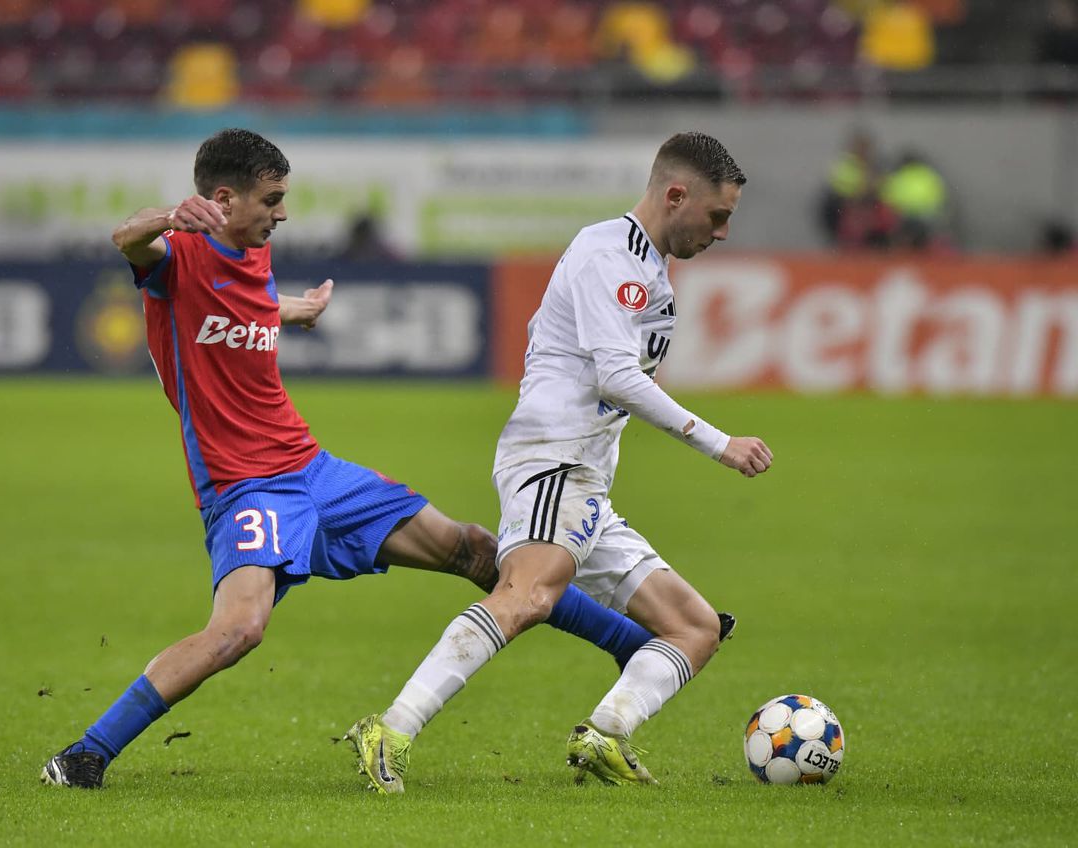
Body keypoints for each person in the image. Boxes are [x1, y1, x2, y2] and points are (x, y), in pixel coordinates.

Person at [39, 129, 658, 790]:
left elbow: (234, 307)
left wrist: (289, 309)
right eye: (271, 200)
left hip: (315, 471)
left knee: (475, 550)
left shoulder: (248, 251)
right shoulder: (177, 257)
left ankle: (634, 647)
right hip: (247, 487)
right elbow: (125, 240)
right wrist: (166, 216)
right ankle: (84, 755)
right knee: (239, 630)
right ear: (222, 199)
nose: (282, 213)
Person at [346, 131, 772, 793]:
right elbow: (615, 378)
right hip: (553, 462)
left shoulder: (647, 267)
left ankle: (607, 733)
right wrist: (721, 444)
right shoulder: (611, 256)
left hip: (586, 481)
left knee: (694, 627)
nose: (721, 233)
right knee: (526, 596)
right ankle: (391, 730)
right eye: (717, 217)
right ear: (675, 195)